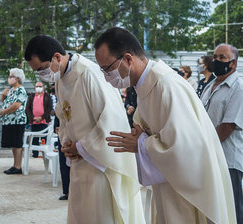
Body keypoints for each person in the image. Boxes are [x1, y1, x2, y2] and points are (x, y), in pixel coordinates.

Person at [95, 27, 236, 224]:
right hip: (169, 187)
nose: (105, 76)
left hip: (186, 194)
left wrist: (142, 144)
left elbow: (190, 149)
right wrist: (142, 136)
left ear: (128, 59)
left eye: (107, 69)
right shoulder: (146, 87)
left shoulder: (167, 86)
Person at [25, 35, 145, 224]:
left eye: (41, 69)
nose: (41, 75)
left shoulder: (89, 74)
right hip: (79, 163)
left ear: (57, 57)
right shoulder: (61, 78)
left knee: (101, 216)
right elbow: (64, 118)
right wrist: (66, 143)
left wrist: (81, 147)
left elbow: (111, 121)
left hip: (101, 166)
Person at [201, 43, 243, 224]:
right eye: (215, 57)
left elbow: (227, 127)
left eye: (222, 58)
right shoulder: (210, 86)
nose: (216, 61)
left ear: (233, 64)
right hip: (209, 157)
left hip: (228, 161)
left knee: (232, 210)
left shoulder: (238, 88)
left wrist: (200, 146)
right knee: (214, 209)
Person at [0, 68, 28, 175]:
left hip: (17, 120)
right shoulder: (11, 90)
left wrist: (4, 112)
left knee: (17, 144)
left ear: (17, 78)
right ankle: (15, 165)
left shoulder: (21, 90)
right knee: (13, 144)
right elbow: (5, 101)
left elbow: (16, 105)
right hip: (9, 121)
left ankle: (18, 166)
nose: (9, 78)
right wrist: (3, 95)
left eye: (11, 76)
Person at [50, 83, 70, 200]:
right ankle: (66, 191)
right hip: (61, 134)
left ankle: (74, 191)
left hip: (72, 133)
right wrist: (56, 128)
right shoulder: (59, 100)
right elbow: (57, 116)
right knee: (63, 163)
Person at [26, 81, 52, 158]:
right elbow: (28, 109)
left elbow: (49, 108)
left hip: (44, 121)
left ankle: (44, 154)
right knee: (34, 138)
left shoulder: (47, 96)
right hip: (34, 122)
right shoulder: (31, 96)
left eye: (40, 86)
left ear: (43, 87)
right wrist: (33, 118)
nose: (38, 88)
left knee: (44, 138)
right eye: (37, 86)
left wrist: (41, 117)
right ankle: (35, 154)